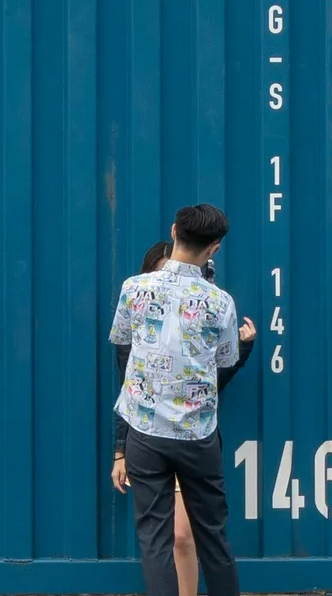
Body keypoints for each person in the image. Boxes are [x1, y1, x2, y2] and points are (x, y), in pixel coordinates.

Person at [109, 205, 241, 596]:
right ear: (213, 248)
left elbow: (123, 340)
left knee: (155, 542)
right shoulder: (220, 302)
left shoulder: (133, 288)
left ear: (173, 231)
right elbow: (226, 361)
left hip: (145, 432)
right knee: (213, 538)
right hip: (198, 435)